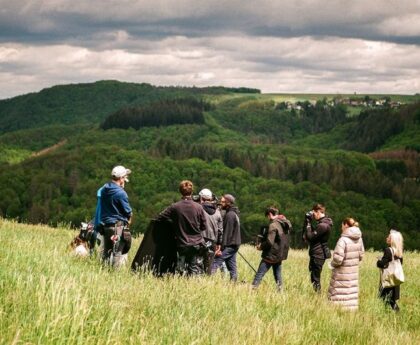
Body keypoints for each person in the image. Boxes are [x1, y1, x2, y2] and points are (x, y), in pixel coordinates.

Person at [156, 180, 207, 276]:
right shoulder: (198, 207)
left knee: (180, 268)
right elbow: (204, 226)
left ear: (180, 191)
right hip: (196, 242)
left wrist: (174, 222)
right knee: (193, 269)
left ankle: (180, 285)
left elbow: (160, 217)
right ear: (192, 191)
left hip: (182, 242)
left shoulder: (175, 207)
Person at [98, 165, 133, 267]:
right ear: (121, 178)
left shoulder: (104, 189)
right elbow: (128, 212)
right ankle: (114, 276)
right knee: (117, 254)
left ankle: (103, 274)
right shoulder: (121, 193)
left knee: (106, 253)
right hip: (118, 227)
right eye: (125, 177)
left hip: (106, 226)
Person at [328, 218, 364, 311]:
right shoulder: (359, 239)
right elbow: (361, 255)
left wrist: (331, 264)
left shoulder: (343, 240)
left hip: (341, 273)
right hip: (353, 272)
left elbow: (338, 259)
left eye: (342, 225)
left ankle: (337, 311)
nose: (341, 227)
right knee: (350, 293)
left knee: (339, 294)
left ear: (345, 225)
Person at [252, 207, 291, 291]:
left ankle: (253, 289)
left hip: (271, 254)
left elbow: (270, 242)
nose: (268, 218)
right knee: (277, 274)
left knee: (259, 274)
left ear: (270, 214)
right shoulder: (284, 223)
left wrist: (260, 246)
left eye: (267, 216)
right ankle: (280, 291)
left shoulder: (273, 225)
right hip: (280, 254)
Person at [303, 203, 333, 292]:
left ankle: (318, 297)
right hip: (317, 253)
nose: (313, 215)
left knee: (316, 279)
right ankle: (317, 295)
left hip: (318, 254)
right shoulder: (323, 223)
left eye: (314, 213)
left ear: (319, 212)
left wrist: (308, 224)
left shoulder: (323, 225)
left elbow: (310, 237)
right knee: (314, 277)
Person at [211, 194, 241, 282]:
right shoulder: (233, 213)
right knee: (232, 266)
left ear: (228, 203)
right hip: (234, 244)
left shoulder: (230, 215)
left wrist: (221, 249)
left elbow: (227, 234)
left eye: (223, 202)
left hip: (230, 245)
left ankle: (207, 281)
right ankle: (233, 284)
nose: (221, 203)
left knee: (215, 262)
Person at [377, 229, 404, 312]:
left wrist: (378, 261)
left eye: (388, 237)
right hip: (395, 279)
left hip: (388, 279)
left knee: (385, 299)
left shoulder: (388, 250)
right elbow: (400, 264)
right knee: (392, 301)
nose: (386, 238)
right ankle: (396, 315)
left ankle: (391, 315)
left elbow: (382, 264)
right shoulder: (399, 250)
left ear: (392, 240)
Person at [199, 188, 223, 275]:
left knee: (198, 263)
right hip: (212, 241)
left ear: (201, 198)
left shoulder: (199, 209)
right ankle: (208, 280)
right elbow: (220, 230)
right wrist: (219, 244)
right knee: (209, 264)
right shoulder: (217, 212)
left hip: (200, 240)